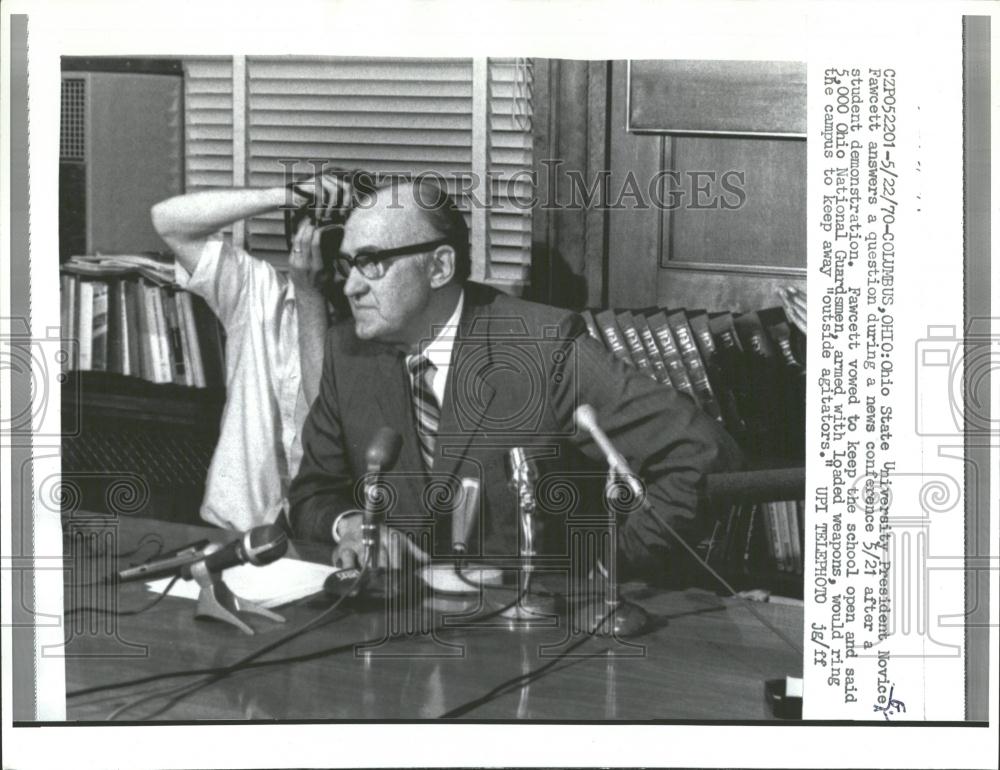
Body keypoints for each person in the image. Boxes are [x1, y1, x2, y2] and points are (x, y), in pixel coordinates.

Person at [288, 179, 742, 577]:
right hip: (392, 631)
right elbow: (313, 492)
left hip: (525, 631)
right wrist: (351, 525)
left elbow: (702, 453)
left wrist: (608, 567)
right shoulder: (347, 352)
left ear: (439, 267)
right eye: (348, 265)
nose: (349, 287)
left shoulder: (544, 349)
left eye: (372, 263)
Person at [150, 174, 348, 531]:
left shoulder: (379, 327)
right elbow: (168, 221)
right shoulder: (257, 292)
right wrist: (283, 195)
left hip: (325, 533)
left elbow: (324, 420)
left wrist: (311, 296)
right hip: (237, 527)